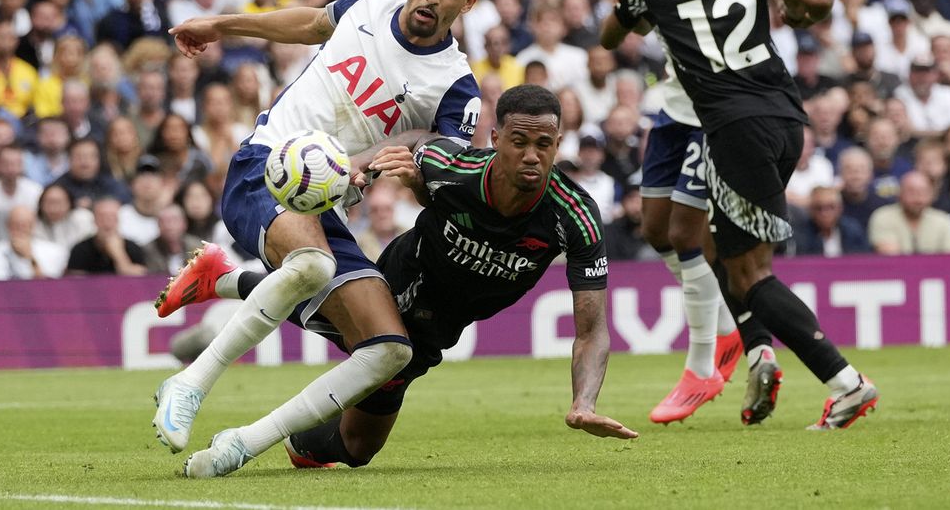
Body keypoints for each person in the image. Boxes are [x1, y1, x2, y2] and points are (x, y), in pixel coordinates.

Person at [155, 85, 636, 474]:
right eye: (520, 141)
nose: (532, 156)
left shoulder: (575, 216)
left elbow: (592, 328)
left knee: (357, 447)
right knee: (377, 345)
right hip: (405, 277)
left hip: (443, 327)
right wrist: (363, 172)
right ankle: (240, 430)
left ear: (559, 143)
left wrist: (583, 402)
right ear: (496, 139)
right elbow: (415, 146)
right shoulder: (455, 166)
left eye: (544, 144)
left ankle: (225, 281)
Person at [150, 0, 489, 476]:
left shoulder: (454, 88)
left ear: (467, 2)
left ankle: (240, 435)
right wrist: (221, 25)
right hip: (264, 165)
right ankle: (189, 382)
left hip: (321, 201)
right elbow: (310, 24)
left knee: (387, 351)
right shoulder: (369, 1)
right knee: (313, 266)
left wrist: (408, 175)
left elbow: (446, 178)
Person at [601, 0, 878, 430]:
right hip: (785, 119)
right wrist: (796, 16)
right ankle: (758, 354)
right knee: (720, 253)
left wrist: (622, 0)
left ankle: (846, 382)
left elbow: (611, 37)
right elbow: (819, 1)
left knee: (751, 275)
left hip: (732, 131)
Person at [619, 0, 758, 425]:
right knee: (655, 230)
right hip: (673, 106)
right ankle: (725, 327)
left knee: (687, 233)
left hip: (716, 109)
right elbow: (636, 24)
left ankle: (705, 361)